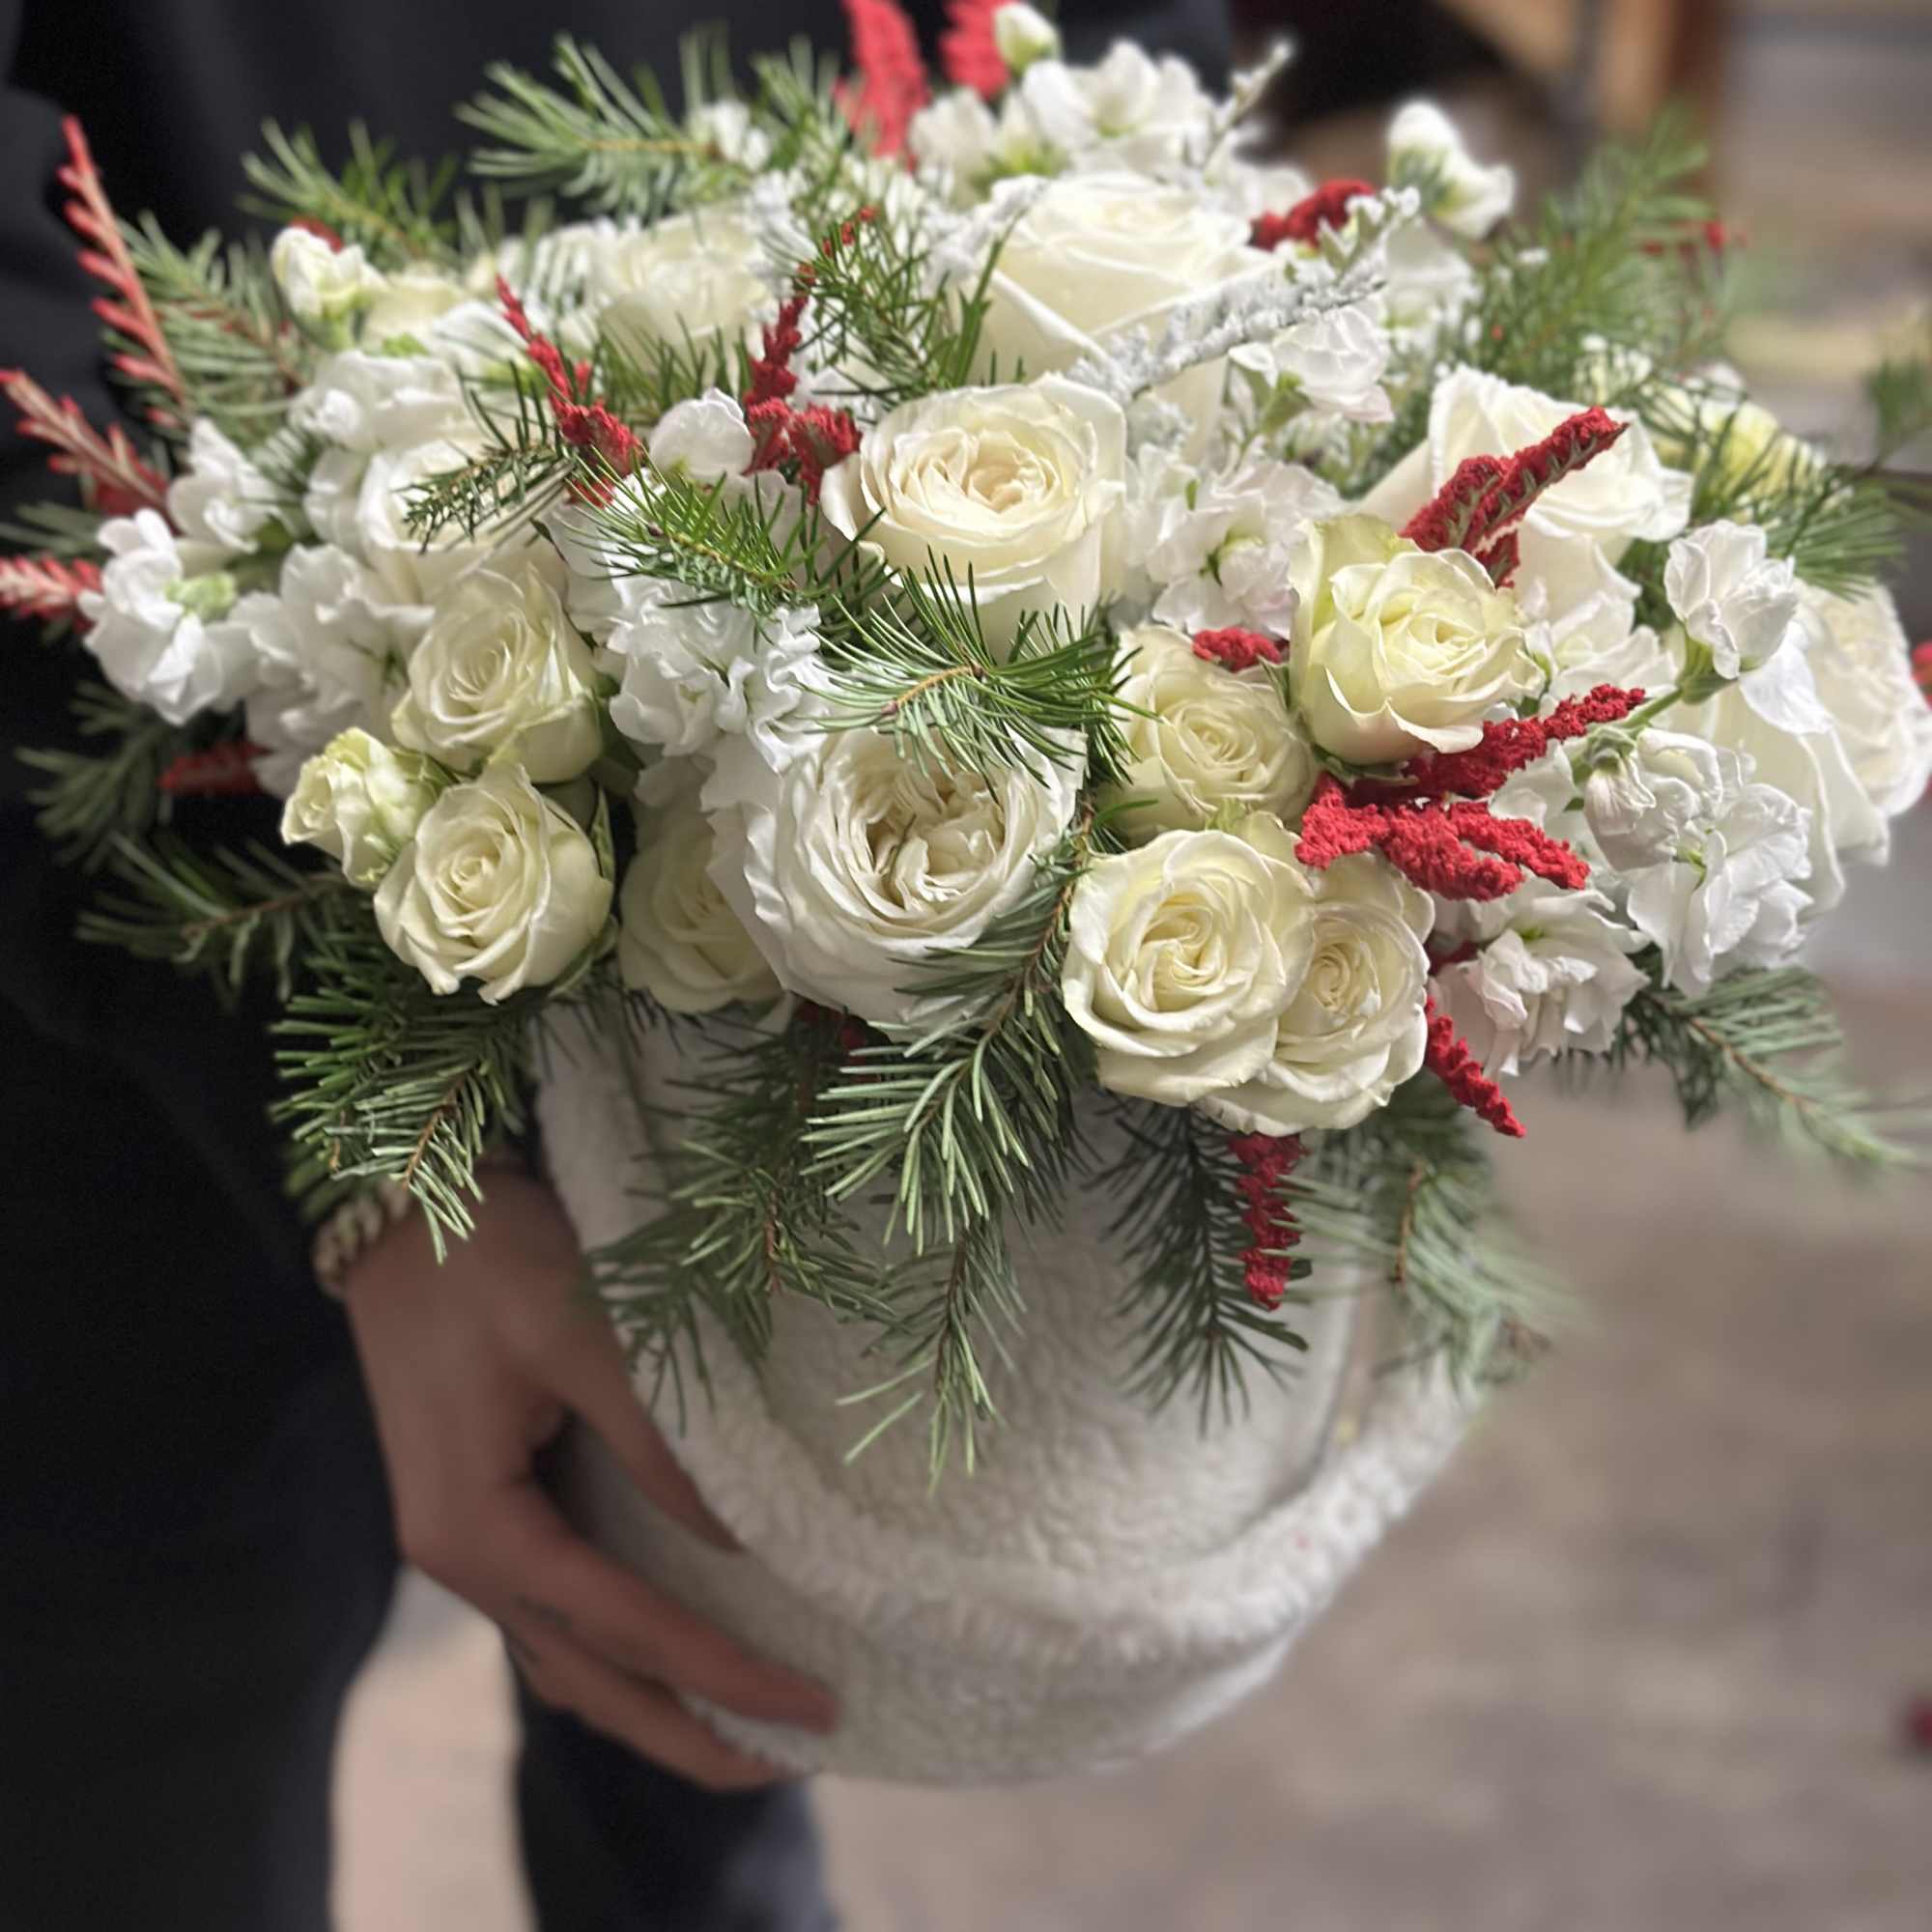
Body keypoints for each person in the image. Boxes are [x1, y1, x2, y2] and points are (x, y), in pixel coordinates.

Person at [0, 3, 1230, 1927]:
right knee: (149, 1757)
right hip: (154, 849)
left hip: (828, 752)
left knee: (724, 1707)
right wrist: (358, 1148)